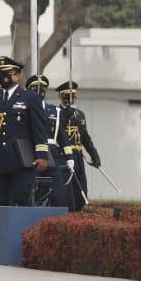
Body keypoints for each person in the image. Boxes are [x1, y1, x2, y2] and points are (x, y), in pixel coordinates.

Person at [0, 56, 49, 215]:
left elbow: (39, 129)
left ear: (18, 76)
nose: (4, 76)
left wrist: (42, 154)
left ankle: (24, 237)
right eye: (1, 72)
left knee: (22, 198)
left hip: (22, 161)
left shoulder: (30, 98)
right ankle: (1, 238)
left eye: (8, 72)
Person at [25, 75, 73, 209]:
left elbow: (62, 136)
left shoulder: (55, 111)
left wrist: (69, 157)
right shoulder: (24, 110)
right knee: (30, 193)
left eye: (42, 88)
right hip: (31, 154)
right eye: (35, 88)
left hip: (52, 154)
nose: (40, 91)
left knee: (59, 194)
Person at [56, 81, 101, 211]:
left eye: (72, 96)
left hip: (78, 158)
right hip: (64, 158)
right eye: (66, 96)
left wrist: (94, 154)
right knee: (68, 196)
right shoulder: (56, 113)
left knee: (82, 194)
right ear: (60, 97)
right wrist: (65, 115)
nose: (70, 99)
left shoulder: (80, 114)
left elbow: (85, 137)